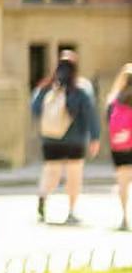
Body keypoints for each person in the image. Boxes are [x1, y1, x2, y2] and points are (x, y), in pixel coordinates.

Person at [32, 49, 100, 225]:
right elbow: (90, 114)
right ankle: (70, 212)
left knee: (50, 173)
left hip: (50, 140)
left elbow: (35, 109)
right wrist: (95, 137)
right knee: (74, 176)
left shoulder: (47, 87)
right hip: (75, 141)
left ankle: (43, 196)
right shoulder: (81, 89)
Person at [106, 63, 132, 230]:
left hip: (120, 146)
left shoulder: (114, 99)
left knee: (123, 182)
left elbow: (108, 120)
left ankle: (124, 217)